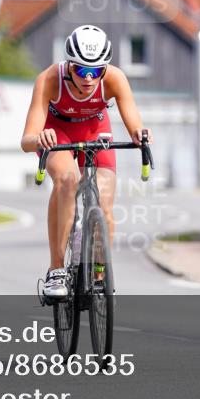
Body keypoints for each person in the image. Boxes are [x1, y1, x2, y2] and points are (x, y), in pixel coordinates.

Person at [20, 25, 151, 299]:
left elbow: (133, 120)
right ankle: (56, 269)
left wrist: (139, 134)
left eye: (97, 70)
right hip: (57, 132)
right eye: (81, 70)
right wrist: (40, 139)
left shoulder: (114, 78)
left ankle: (100, 269)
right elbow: (27, 139)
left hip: (95, 129)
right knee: (68, 180)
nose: (89, 78)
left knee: (104, 205)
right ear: (69, 66)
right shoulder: (49, 80)